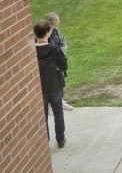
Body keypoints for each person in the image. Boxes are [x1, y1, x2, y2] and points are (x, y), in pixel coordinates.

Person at [34, 20, 68, 148]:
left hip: (39, 88)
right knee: (58, 113)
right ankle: (60, 140)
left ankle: (45, 142)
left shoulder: (31, 51)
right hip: (55, 86)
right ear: (48, 32)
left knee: (43, 117)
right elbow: (64, 66)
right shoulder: (55, 49)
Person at [46, 12, 74, 111]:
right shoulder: (46, 33)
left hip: (59, 59)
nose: (59, 21)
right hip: (51, 62)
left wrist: (60, 53)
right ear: (52, 22)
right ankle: (51, 104)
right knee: (53, 82)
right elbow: (48, 47)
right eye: (57, 20)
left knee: (60, 80)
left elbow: (63, 42)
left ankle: (61, 100)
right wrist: (57, 53)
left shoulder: (56, 31)